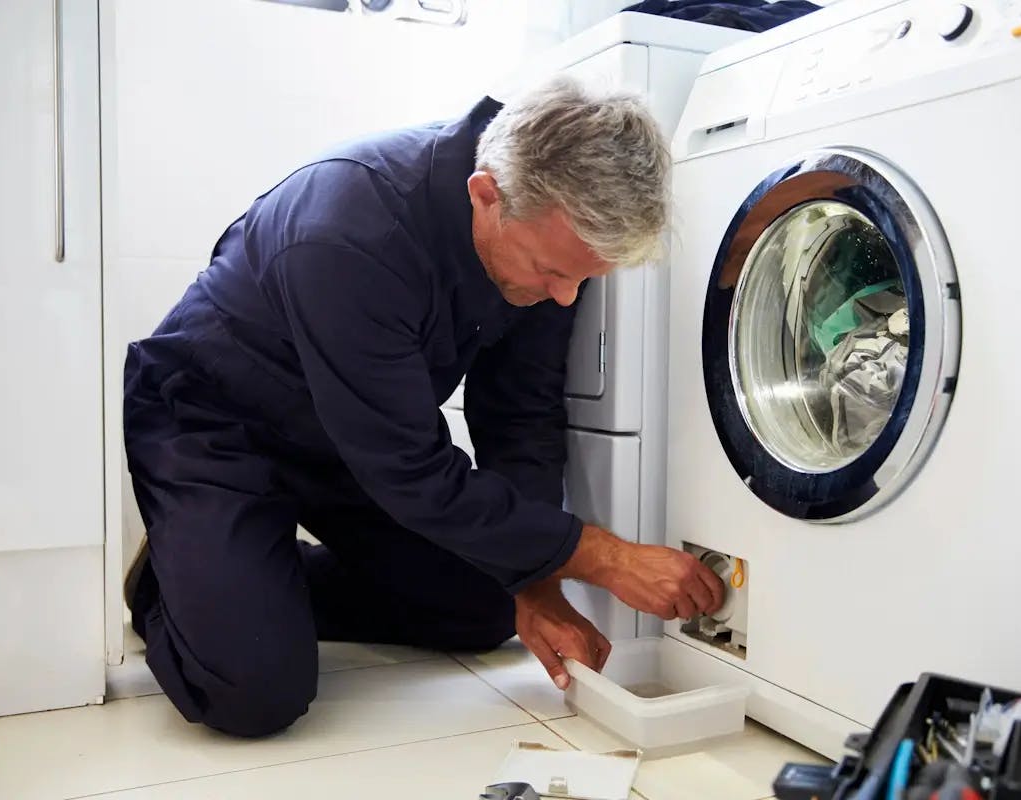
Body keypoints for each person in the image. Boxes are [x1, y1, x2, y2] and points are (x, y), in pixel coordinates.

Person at [121, 76, 725, 738]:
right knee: (253, 692)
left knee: (485, 609)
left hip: (348, 442)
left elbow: (520, 415)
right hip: (214, 422)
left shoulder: (542, 242)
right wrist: (600, 554)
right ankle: (173, 583)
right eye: (553, 272)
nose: (563, 297)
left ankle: (258, 579)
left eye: (584, 277)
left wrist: (539, 584)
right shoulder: (350, 228)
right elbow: (410, 471)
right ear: (486, 196)